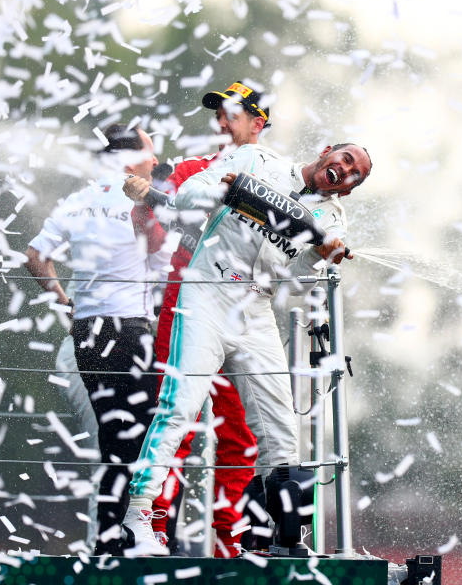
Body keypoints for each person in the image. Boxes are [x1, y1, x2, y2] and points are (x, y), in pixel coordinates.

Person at [122, 139, 372, 556]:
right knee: (180, 405)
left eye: (354, 175)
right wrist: (230, 188)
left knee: (281, 430)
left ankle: (289, 536)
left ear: (347, 189)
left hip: (255, 308)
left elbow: (290, 285)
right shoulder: (259, 159)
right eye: (345, 159)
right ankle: (138, 516)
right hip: (207, 292)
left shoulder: (332, 218)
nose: (345, 170)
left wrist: (317, 258)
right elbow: (185, 196)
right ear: (327, 151)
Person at [124, 80, 270, 557]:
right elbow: (149, 221)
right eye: (219, 115)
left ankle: (229, 540)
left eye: (233, 114)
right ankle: (154, 531)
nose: (223, 123)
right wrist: (142, 193)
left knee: (241, 433)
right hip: (186, 306)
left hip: (245, 314)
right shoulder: (191, 170)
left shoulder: (276, 179)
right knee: (177, 420)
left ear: (258, 123)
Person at [24, 124, 175, 555]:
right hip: (130, 328)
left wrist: (64, 300)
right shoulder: (144, 205)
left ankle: (108, 540)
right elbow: (165, 258)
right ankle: (129, 535)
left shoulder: (79, 200)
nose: (155, 159)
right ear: (130, 160)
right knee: (142, 434)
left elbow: (35, 256)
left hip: (88, 330)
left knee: (113, 436)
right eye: (150, 151)